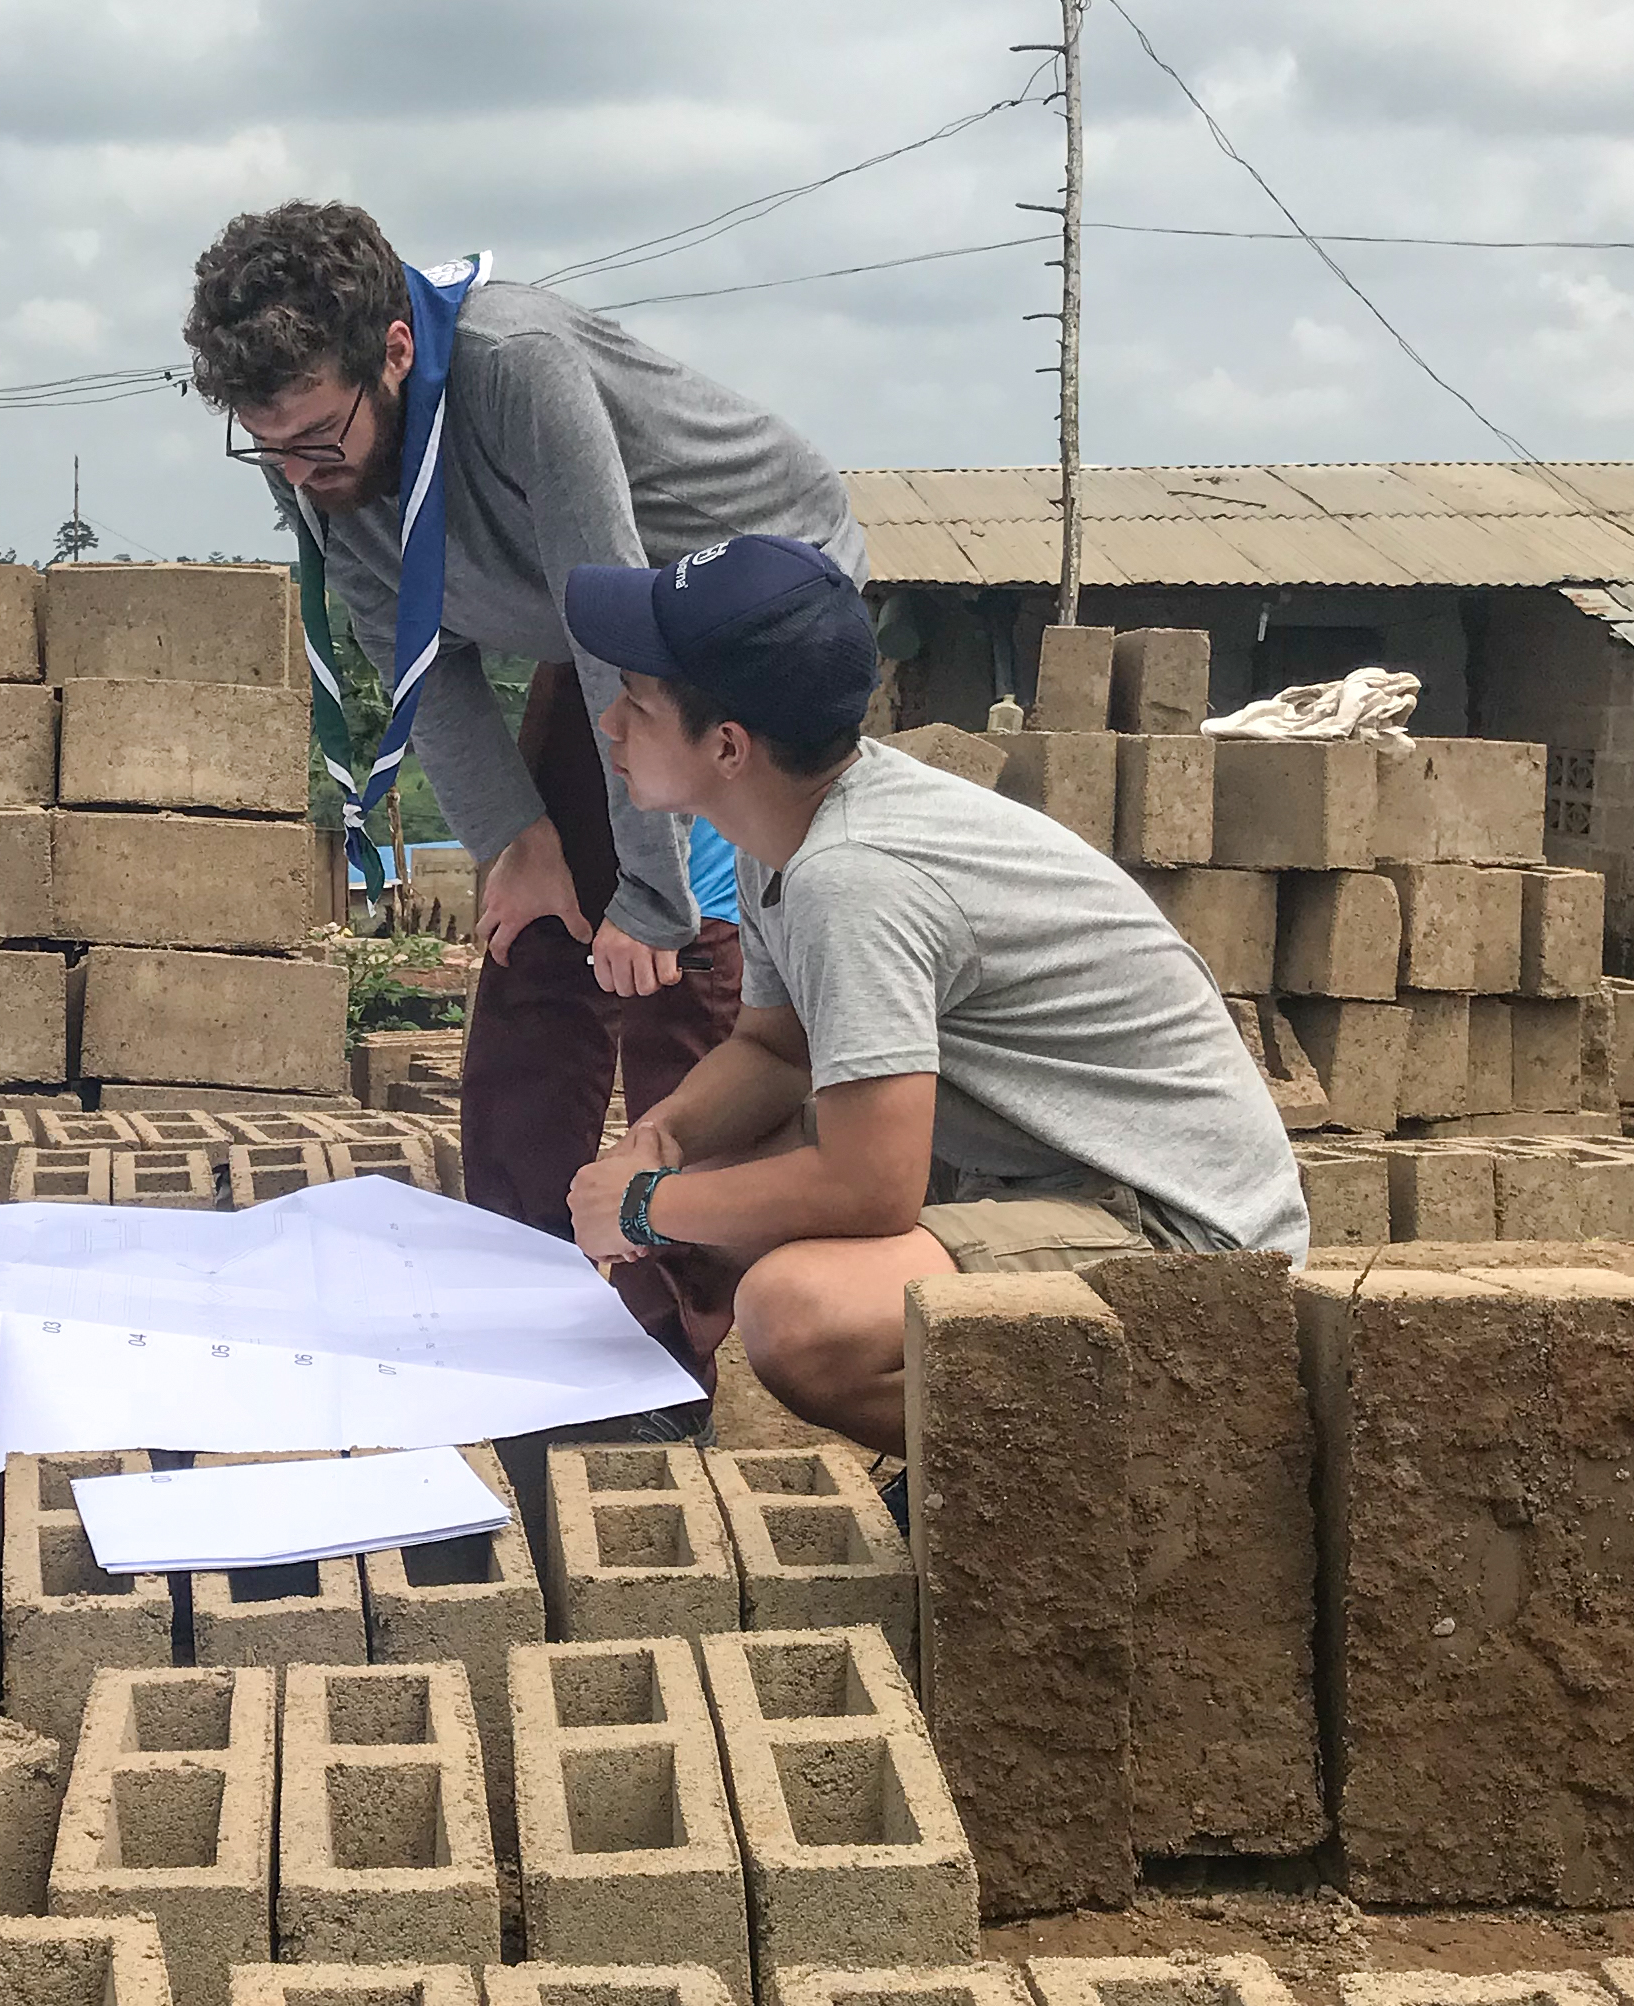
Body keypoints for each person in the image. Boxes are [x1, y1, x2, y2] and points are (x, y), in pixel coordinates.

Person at [181, 201, 868, 1366]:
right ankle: (517, 1278)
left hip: (735, 609)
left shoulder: (516, 373)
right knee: (539, 931)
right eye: (269, 447)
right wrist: (515, 837)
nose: (297, 471)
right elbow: (414, 649)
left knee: (679, 959)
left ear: (395, 352)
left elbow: (620, 624)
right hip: (589, 621)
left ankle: (704, 1323)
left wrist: (651, 887)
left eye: (313, 437)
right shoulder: (317, 452)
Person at [550, 533, 1304, 1456]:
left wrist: (646, 1207)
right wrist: (661, 1142)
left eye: (636, 703)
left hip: (1184, 1236)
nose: (610, 726)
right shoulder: (783, 827)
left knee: (799, 1315)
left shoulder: (853, 876)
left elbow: (869, 1187)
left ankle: (1092, 1494)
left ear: (729, 745)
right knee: (724, 1189)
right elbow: (777, 1053)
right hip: (1049, 1171)